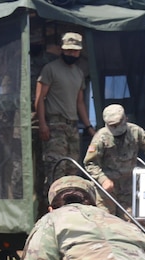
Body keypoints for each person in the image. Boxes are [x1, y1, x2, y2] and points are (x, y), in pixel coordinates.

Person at [83, 104, 145, 216]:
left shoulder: (135, 132)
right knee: (107, 221)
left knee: (130, 222)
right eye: (113, 125)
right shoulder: (100, 137)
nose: (116, 128)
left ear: (125, 119)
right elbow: (90, 163)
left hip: (128, 188)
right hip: (107, 191)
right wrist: (103, 179)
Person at [35, 31, 94, 186]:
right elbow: (40, 98)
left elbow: (80, 102)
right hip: (54, 125)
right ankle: (52, 206)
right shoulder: (50, 69)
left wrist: (88, 127)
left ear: (79, 51)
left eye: (74, 50)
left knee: (72, 170)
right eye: (68, 50)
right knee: (56, 169)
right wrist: (42, 124)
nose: (71, 53)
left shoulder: (79, 73)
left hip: (72, 126)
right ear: (62, 49)